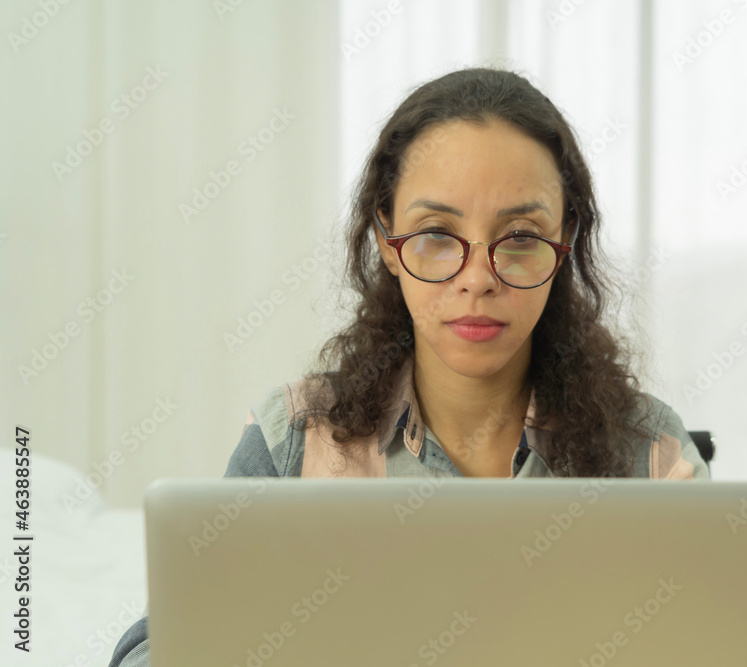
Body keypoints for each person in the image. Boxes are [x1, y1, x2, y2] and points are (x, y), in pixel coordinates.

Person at [108, 66, 709, 667]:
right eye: (436, 234)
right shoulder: (294, 440)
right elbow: (156, 646)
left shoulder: (648, 454)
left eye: (521, 235)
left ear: (566, 240)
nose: (478, 279)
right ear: (386, 240)